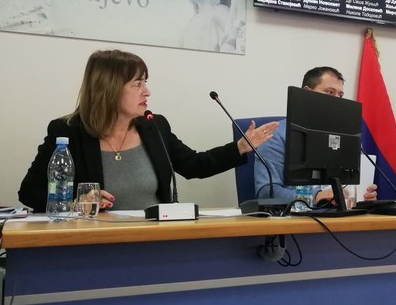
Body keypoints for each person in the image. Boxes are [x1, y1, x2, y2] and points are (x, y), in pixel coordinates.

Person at [18, 50, 278, 213]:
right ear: (109, 89)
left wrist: (240, 148)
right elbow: (30, 193)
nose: (147, 91)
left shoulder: (154, 126)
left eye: (146, 82)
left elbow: (194, 165)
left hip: (153, 242)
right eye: (137, 84)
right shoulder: (68, 132)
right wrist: (77, 203)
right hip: (91, 245)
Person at [254, 66, 377, 205]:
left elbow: (349, 186)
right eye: (330, 92)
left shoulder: (348, 138)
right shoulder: (275, 136)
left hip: (341, 218)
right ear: (306, 93)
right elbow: (265, 192)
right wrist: (316, 197)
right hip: (296, 221)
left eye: (340, 95)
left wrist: (362, 196)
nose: (337, 100)